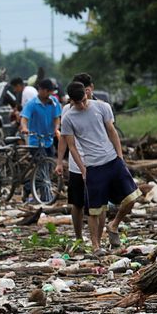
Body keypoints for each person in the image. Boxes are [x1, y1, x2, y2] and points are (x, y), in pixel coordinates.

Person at [61, 81, 140, 254]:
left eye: (83, 100)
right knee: (94, 210)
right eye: (77, 102)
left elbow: (111, 131)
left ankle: (114, 225)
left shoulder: (102, 107)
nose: (82, 105)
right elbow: (72, 146)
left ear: (87, 94)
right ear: (71, 101)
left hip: (112, 160)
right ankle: (96, 246)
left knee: (132, 197)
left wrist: (120, 156)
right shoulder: (68, 118)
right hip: (93, 166)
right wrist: (82, 169)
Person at [56, 73, 95, 241]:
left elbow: (109, 133)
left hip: (96, 161)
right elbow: (65, 140)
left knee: (97, 204)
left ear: (90, 89)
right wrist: (59, 162)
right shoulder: (67, 111)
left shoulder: (100, 107)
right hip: (75, 165)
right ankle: (79, 238)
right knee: (77, 203)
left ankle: (97, 240)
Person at [20, 79, 61, 202]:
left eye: (51, 92)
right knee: (42, 168)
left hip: (48, 140)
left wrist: (56, 129)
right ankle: (45, 198)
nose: (49, 94)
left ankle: (28, 187)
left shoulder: (54, 102)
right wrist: (25, 128)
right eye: (47, 91)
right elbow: (24, 118)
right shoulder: (32, 103)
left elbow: (56, 118)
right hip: (35, 141)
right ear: (41, 90)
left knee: (47, 169)